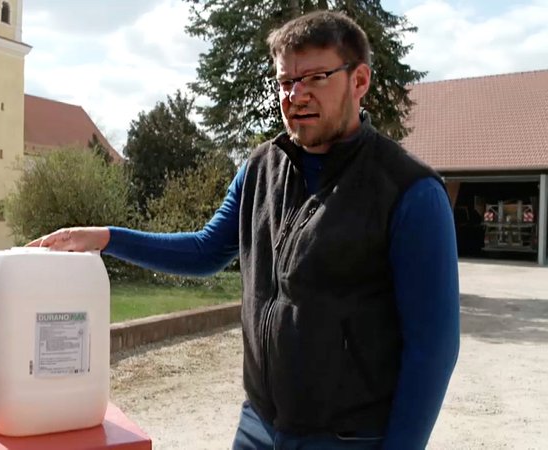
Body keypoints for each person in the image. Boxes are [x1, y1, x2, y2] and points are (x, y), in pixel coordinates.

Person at [28, 11, 459, 450]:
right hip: (258, 428)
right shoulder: (259, 169)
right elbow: (205, 250)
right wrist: (106, 237)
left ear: (359, 80)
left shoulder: (409, 191)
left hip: (347, 438)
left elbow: (433, 350)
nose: (296, 95)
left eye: (315, 77)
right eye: (286, 81)